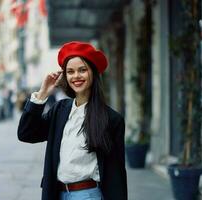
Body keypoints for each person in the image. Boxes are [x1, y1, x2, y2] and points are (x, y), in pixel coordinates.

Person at [17, 41, 127, 200]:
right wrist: (42, 94)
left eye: (82, 70)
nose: (76, 76)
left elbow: (116, 174)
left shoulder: (112, 119)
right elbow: (26, 134)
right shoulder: (59, 110)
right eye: (70, 71)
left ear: (93, 73)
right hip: (57, 193)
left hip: (88, 195)